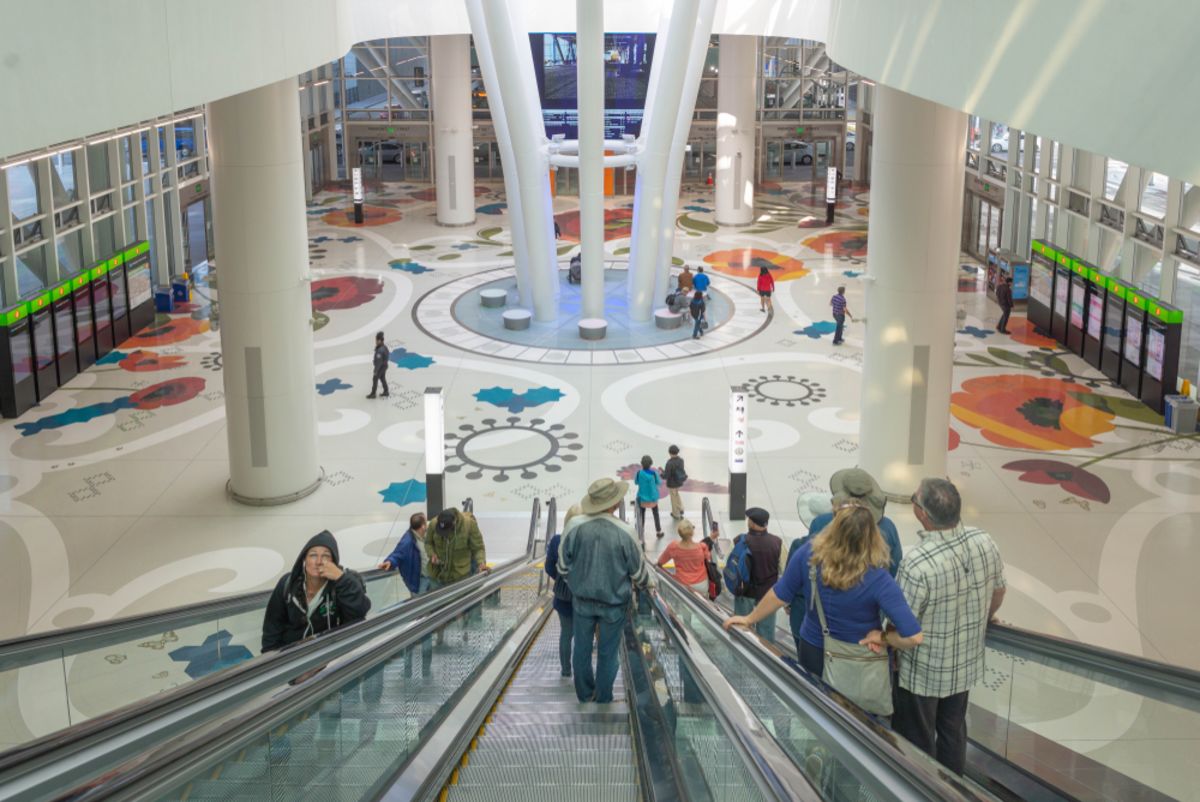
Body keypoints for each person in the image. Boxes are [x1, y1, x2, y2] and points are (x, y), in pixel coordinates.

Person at [882, 478, 1006, 775]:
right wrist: (985, 618)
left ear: (922, 514)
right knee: (953, 731)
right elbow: (999, 590)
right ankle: (952, 789)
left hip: (922, 673)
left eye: (914, 498)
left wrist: (884, 637)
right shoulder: (984, 541)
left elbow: (902, 626)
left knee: (917, 739)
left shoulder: (917, 563)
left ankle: (921, 788)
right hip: (965, 664)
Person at [727, 505, 922, 680]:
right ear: (873, 537)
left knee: (814, 703)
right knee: (852, 716)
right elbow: (913, 637)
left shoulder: (808, 555)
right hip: (860, 658)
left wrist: (749, 619)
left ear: (833, 528)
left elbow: (780, 594)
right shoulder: (879, 578)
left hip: (814, 649)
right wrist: (882, 638)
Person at [558, 478, 653, 703]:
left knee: (580, 649)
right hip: (614, 604)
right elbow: (639, 573)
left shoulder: (574, 526)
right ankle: (603, 696)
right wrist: (647, 585)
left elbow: (562, 567)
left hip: (581, 601)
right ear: (613, 504)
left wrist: (579, 582)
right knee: (608, 652)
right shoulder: (626, 532)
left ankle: (584, 693)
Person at [262, 530, 371, 652]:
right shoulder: (287, 584)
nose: (318, 561)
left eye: (326, 556)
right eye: (313, 555)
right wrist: (271, 660)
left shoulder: (340, 586)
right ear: (304, 559)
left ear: (333, 563)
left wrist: (341, 578)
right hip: (291, 657)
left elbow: (359, 613)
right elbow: (272, 628)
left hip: (325, 655)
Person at [729, 507, 783, 641]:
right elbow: (782, 569)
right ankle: (766, 658)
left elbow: (733, 566)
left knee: (742, 627)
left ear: (752, 523)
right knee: (767, 632)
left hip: (745, 591)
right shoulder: (777, 542)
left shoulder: (739, 541)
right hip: (768, 594)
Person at [545, 504, 583, 677]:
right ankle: (582, 671)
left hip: (563, 597)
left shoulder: (556, 541)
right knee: (584, 635)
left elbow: (549, 568)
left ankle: (566, 670)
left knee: (566, 634)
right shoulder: (588, 540)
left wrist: (561, 580)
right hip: (584, 597)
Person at [427, 507, 488, 588]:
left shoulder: (469, 525)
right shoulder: (433, 524)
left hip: (460, 577)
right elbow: (428, 543)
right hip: (437, 575)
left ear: (454, 522)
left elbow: (478, 548)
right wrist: (432, 554)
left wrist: (481, 563)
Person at [378, 512, 430, 596]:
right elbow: (398, 553)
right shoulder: (408, 541)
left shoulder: (424, 535)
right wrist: (390, 561)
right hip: (419, 581)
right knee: (420, 604)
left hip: (429, 577)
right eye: (425, 522)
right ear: (423, 526)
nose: (427, 524)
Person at [657, 519, 711, 593]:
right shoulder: (702, 547)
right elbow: (708, 559)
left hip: (683, 584)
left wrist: (670, 576)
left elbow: (659, 563)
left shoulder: (673, 547)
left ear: (680, 533)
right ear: (692, 532)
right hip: (702, 584)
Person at [635, 455, 665, 540]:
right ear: (651, 464)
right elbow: (658, 482)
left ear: (642, 464)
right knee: (656, 514)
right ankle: (658, 531)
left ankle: (641, 531)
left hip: (642, 498)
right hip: (653, 498)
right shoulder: (654, 473)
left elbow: (636, 482)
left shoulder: (639, 473)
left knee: (641, 515)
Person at [662, 445, 687, 520]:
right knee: (676, 494)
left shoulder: (669, 463)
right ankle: (681, 508)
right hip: (678, 481)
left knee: (673, 498)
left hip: (672, 483)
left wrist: (661, 474)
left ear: (670, 453)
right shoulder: (681, 460)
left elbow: (666, 475)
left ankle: (675, 513)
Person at [366, 331, 390, 398]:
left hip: (381, 367)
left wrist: (376, 371)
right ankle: (386, 391)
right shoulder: (385, 347)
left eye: (376, 340)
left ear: (379, 340)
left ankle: (373, 393)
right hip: (385, 366)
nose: (375, 342)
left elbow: (379, 363)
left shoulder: (380, 351)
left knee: (375, 378)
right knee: (382, 378)